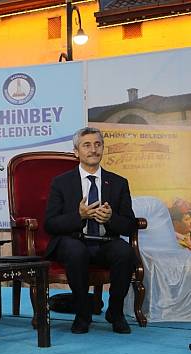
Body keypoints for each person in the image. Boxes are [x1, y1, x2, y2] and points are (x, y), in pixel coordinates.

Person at [44, 127, 137, 335]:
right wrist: (79, 216)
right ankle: (82, 314)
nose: (93, 150)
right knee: (77, 251)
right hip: (73, 241)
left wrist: (111, 219)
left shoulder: (119, 183)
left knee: (125, 252)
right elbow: (50, 224)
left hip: (105, 242)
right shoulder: (61, 183)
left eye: (97, 144)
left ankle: (115, 312)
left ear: (103, 148)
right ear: (76, 151)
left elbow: (130, 225)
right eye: (87, 145)